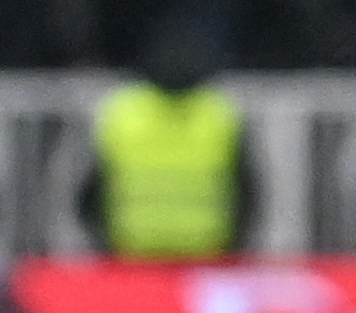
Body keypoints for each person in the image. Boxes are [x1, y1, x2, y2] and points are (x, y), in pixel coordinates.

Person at [80, 16, 253, 260]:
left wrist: (107, 250)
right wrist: (233, 251)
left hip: (132, 261)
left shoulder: (122, 111)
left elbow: (87, 197)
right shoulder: (217, 112)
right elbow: (248, 194)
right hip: (205, 260)